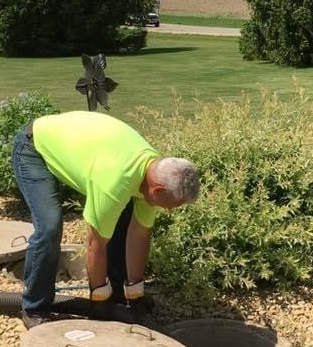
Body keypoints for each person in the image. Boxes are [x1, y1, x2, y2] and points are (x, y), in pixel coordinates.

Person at [11, 111, 200, 328]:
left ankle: (120, 294)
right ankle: (34, 307)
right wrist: (99, 299)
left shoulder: (155, 173)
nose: (168, 210)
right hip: (34, 148)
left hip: (78, 147)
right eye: (170, 205)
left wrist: (135, 293)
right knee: (49, 227)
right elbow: (94, 244)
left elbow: (139, 234)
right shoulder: (115, 182)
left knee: (122, 216)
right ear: (156, 190)